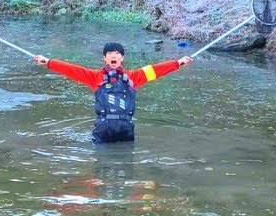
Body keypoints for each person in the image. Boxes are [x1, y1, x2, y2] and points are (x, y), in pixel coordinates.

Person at [33, 42, 192, 143]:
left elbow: (156, 70)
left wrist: (178, 63)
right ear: (105, 58)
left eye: (116, 54)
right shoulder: (94, 77)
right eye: (110, 54)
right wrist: (48, 62)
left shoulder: (134, 76)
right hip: (103, 127)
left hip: (126, 127)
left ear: (122, 58)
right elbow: (71, 69)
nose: (113, 56)